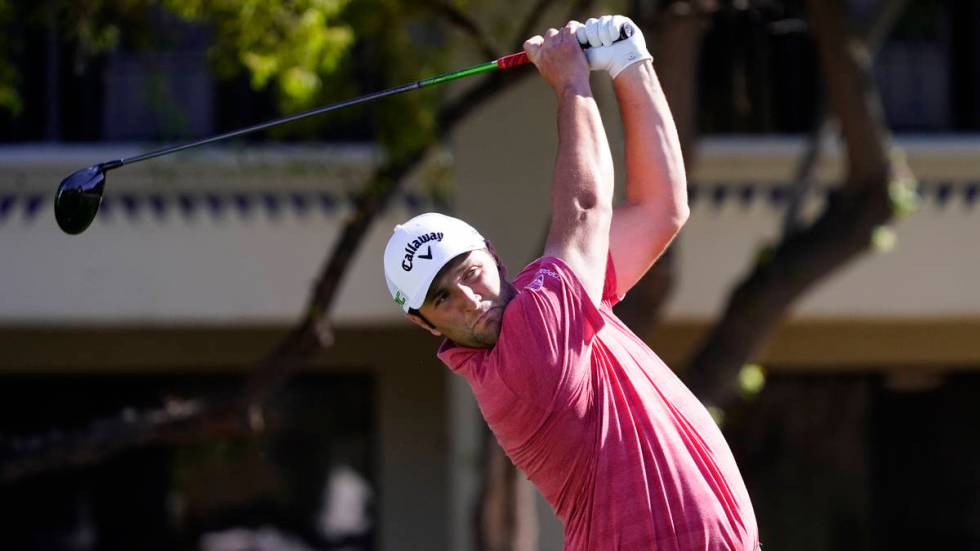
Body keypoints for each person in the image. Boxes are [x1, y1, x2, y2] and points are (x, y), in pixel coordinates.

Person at [382, 15, 759, 551]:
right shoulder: (528, 354)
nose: (468, 298)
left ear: (492, 255)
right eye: (441, 298)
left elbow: (660, 211)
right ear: (425, 324)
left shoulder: (553, 301)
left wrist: (631, 63)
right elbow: (584, 210)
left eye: (468, 273)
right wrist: (572, 81)